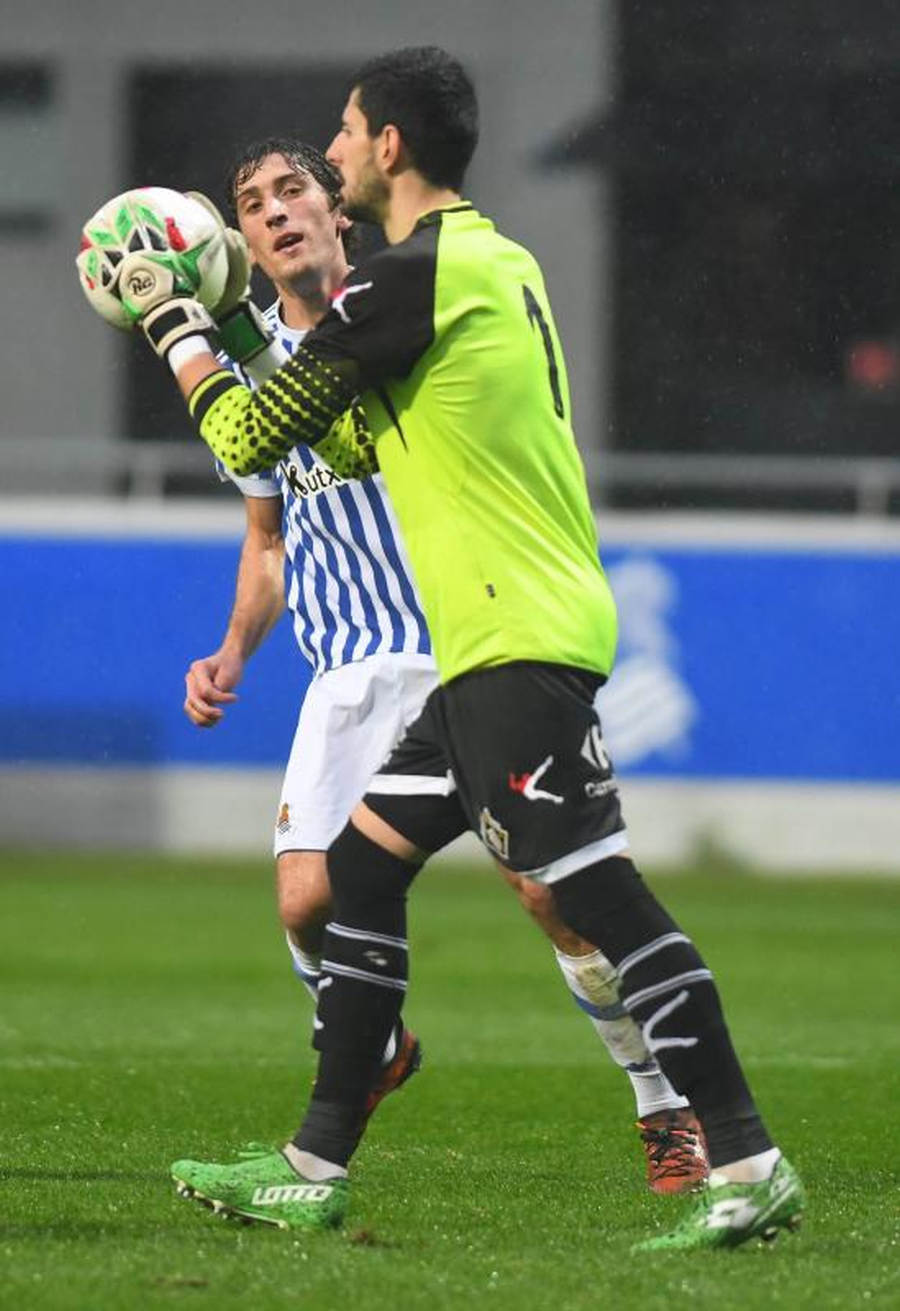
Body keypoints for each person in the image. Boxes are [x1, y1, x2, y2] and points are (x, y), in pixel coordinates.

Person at [86, 48, 804, 1252]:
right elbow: (362, 453)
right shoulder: (492, 262)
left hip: (512, 633)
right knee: (356, 882)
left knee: (589, 896)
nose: (337, 149)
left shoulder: (407, 279)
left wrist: (172, 325)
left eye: (349, 134)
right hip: (483, 642)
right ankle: (316, 1164)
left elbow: (259, 426)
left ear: (389, 151)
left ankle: (743, 1156)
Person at [184, 136, 706, 1184]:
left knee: (553, 898)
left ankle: (666, 1105)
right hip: (345, 672)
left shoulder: (392, 313)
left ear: (341, 209)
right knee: (305, 902)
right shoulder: (245, 383)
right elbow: (269, 538)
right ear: (237, 241)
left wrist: (173, 335)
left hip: (455, 647)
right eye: (253, 202)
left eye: (295, 189)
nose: (278, 210)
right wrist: (234, 648)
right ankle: (373, 1054)